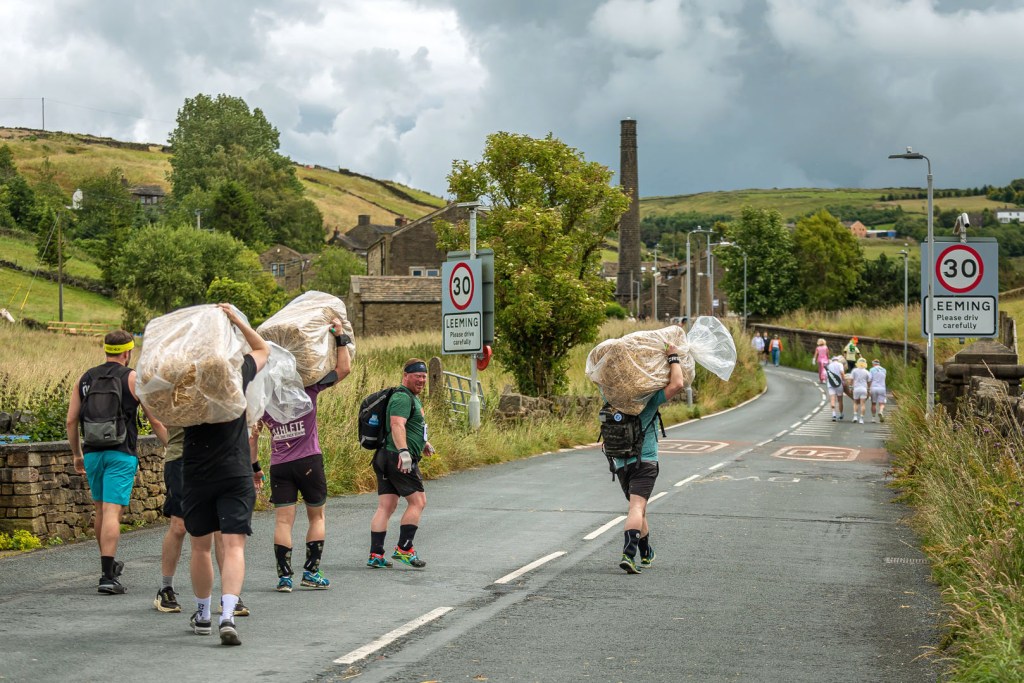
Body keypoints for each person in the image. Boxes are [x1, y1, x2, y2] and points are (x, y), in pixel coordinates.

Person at [182, 304, 269, 647]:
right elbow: (263, 349)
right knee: (233, 546)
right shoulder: (237, 370)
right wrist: (236, 320)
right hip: (234, 469)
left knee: (200, 547)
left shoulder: (185, 375)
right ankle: (228, 615)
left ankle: (203, 614)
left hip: (196, 469)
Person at [252, 317, 351, 593]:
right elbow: (343, 369)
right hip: (309, 462)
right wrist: (340, 336)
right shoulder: (307, 389)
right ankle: (311, 572)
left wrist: (255, 467)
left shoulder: (264, 400)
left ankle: (285, 578)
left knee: (283, 521)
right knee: (317, 518)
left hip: (280, 465)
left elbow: (252, 436)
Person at [66, 330, 168, 595]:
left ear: (106, 350)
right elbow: (155, 420)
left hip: (92, 453)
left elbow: (71, 420)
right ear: (127, 352)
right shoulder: (133, 378)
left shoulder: (85, 378)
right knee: (113, 512)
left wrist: (77, 454)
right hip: (121, 453)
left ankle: (108, 566)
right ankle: (107, 577)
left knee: (101, 510)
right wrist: (172, 446)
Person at [154, 427, 249, 619]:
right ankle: (166, 588)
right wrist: (172, 443)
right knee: (180, 525)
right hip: (181, 457)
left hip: (218, 459)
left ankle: (229, 596)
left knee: (222, 528)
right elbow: (155, 414)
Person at [616, 344, 686, 574]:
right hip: (644, 461)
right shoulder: (648, 398)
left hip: (620, 461)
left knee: (638, 508)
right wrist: (672, 357)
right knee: (637, 507)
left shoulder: (612, 395)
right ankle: (628, 554)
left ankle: (646, 552)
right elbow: (677, 383)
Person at [367, 358, 436, 569]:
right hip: (397, 458)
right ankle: (405, 549)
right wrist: (404, 452)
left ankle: (376, 554)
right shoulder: (402, 397)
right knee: (418, 502)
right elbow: (397, 424)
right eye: (417, 376)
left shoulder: (410, 397)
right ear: (406, 375)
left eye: (424, 376)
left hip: (386, 456)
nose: (422, 380)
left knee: (386, 505)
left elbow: (411, 426)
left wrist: (423, 442)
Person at [825, 355, 846, 422]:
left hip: (831, 384)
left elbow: (826, 375)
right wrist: (844, 381)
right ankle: (841, 414)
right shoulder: (840, 365)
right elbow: (842, 373)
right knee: (840, 400)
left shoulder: (829, 366)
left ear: (832, 360)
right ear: (837, 360)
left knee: (832, 399)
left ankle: (833, 414)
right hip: (839, 384)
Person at [850, 358, 871, 424]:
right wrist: (868, 389)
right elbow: (869, 381)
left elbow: (851, 380)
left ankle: (855, 416)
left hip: (856, 388)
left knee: (856, 403)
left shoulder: (854, 371)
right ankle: (861, 419)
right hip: (864, 389)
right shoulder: (867, 372)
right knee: (863, 404)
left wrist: (851, 387)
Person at [869, 359, 888, 423]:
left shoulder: (871, 370)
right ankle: (881, 411)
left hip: (874, 387)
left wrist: (869, 388)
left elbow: (870, 379)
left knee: (873, 403)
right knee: (882, 403)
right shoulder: (884, 370)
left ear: (873, 364)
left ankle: (873, 418)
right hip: (882, 388)